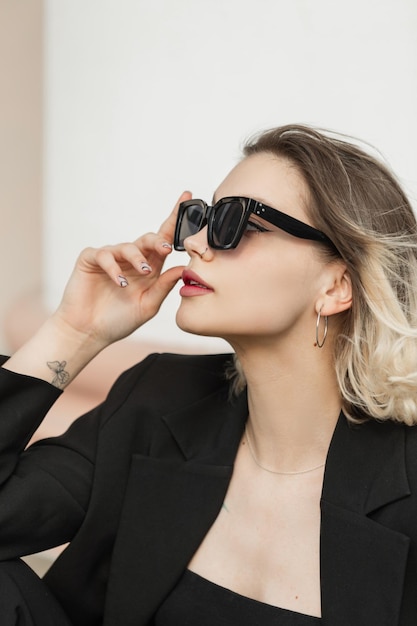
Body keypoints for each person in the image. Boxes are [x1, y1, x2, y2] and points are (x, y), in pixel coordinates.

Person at [1, 123, 417, 626]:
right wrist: (75, 331)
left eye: (236, 222)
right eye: (200, 217)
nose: (195, 242)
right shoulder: (157, 401)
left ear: (336, 286)